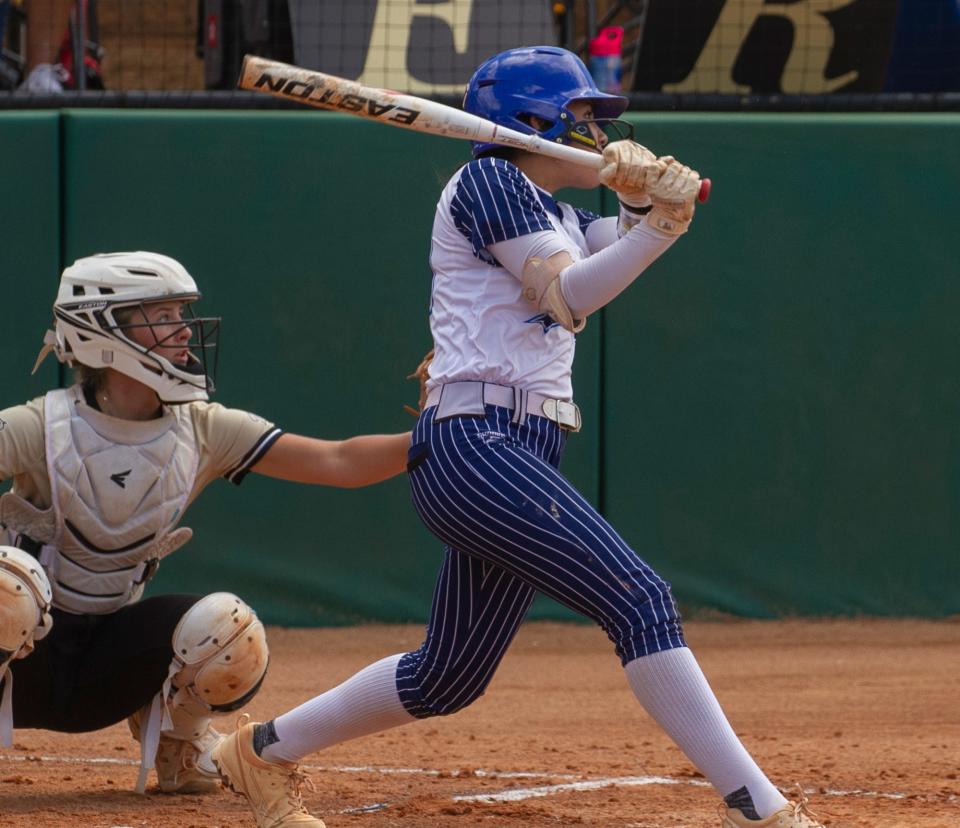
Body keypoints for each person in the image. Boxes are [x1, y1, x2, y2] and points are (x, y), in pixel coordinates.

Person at [211, 46, 827, 828]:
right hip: (476, 444)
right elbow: (570, 296)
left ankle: (260, 752)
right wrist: (658, 223)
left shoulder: (554, 211)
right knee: (639, 600)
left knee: (448, 676)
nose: (595, 133)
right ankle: (760, 808)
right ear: (528, 124)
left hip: (523, 445)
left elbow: (607, 251)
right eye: (578, 118)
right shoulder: (491, 181)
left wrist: (645, 208)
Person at [0, 251, 411, 796]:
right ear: (103, 328)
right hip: (22, 662)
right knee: (9, 587)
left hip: (108, 669)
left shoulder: (204, 430)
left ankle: (181, 746)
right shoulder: (39, 427)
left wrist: (437, 435)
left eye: (181, 314)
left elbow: (338, 462)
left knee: (229, 628)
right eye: (163, 315)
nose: (184, 331)